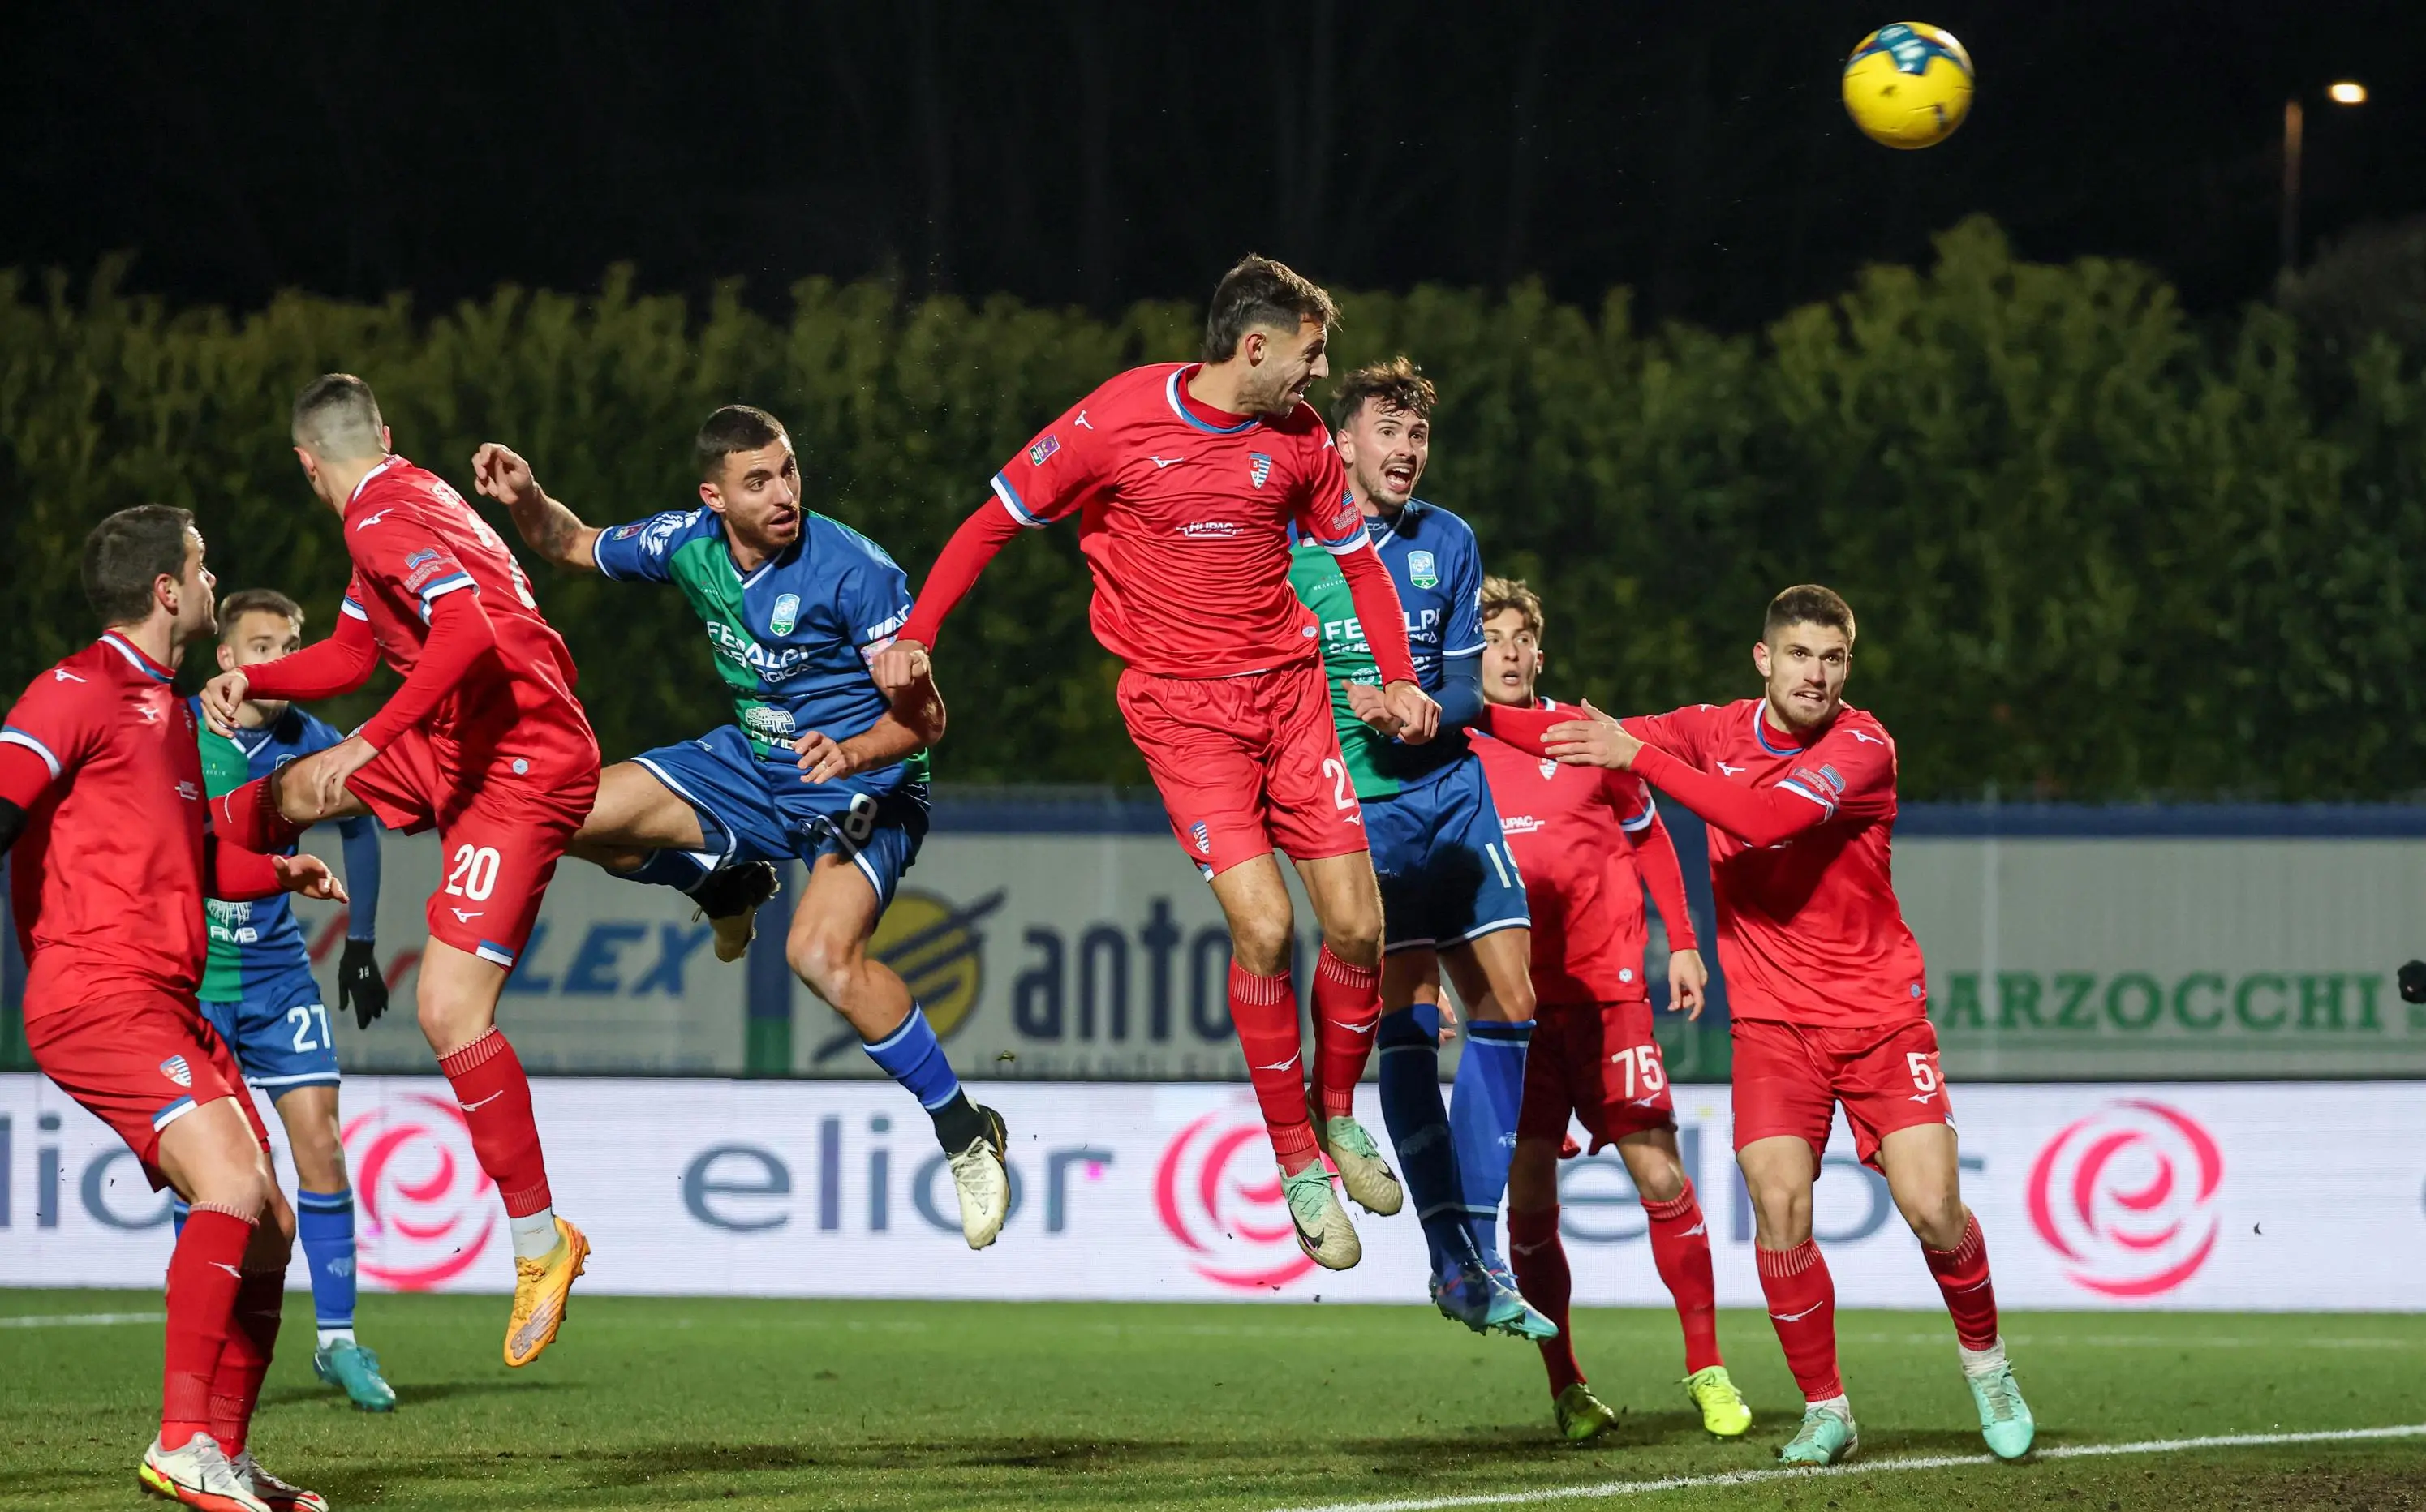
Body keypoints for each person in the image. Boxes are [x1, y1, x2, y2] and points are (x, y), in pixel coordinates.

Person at [877, 256, 1435, 1269]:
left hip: (1292, 696)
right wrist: (921, 630)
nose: (1319, 376)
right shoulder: (1118, 419)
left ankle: (1338, 1112)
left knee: (1357, 924)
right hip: (1184, 716)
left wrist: (1396, 677)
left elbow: (1355, 564)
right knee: (1263, 926)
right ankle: (1298, 1161)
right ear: (1253, 347)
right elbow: (992, 522)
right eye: (1310, 355)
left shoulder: (1301, 441)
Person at [1499, 583, 2033, 1466]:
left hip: (1878, 1018)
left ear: (1845, 667)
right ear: (1764, 659)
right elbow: (1567, 737)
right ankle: (1827, 1410)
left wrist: (1640, 757)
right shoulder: (1714, 729)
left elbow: (1762, 818)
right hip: (1773, 1027)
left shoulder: (1862, 746)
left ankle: (1988, 1368)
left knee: (1933, 1208)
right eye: (1797, 655)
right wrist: (1441, 713)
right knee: (1778, 1205)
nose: (1814, 675)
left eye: (1830, 658)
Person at [467, 406, 1010, 1248]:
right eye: (758, 480)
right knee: (554, 811)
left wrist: (856, 748)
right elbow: (569, 543)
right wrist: (526, 493)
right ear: (714, 496)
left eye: (788, 470)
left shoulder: (855, 571)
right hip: (751, 768)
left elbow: (926, 723)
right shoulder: (686, 543)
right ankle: (719, 881)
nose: (784, 492)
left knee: (818, 954)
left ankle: (962, 1132)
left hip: (865, 791)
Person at [201, 374, 603, 1370]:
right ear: (381, 433)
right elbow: (347, 650)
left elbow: (462, 630)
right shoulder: (406, 495)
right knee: (296, 792)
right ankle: (190, 855)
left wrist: (373, 737)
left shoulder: (382, 521)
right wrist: (256, 678)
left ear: (305, 463)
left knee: (450, 1012)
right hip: (474, 743)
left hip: (515, 757)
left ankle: (539, 1244)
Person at [1, 506, 342, 1511]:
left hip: (164, 997)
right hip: (97, 991)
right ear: (165, 590)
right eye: (201, 565)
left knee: (272, 1224)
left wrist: (278, 867)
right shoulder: (77, 688)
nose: (211, 580)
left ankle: (223, 1456)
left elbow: (190, 858)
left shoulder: (167, 710)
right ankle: (181, 1440)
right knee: (232, 1182)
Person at [1284, 358, 1548, 1334]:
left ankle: (1469, 1236)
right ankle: (1453, 1261)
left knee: (1513, 1002)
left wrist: (1419, 712)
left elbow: (1477, 694)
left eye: (1417, 435)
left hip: (1450, 792)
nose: (1405, 451)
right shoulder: (1291, 544)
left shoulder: (1448, 539)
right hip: (1364, 816)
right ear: (1341, 443)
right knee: (1405, 1017)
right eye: (1386, 433)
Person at [1468, 577, 1749, 1442]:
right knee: (1527, 1201)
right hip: (1507, 1012)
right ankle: (1566, 1385)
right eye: (1493, 637)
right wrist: (1424, 990)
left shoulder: (1583, 735)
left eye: (1522, 637)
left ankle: (1706, 1366)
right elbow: (1419, 872)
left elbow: (1650, 836)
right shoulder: (1446, 749)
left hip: (1606, 997)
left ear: (1539, 652)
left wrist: (1686, 940)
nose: (1509, 652)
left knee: (1660, 1174)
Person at [180, 588, 394, 1411]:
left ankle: (337, 1340)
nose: (282, 659)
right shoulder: (183, 731)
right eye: (263, 645)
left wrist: (365, 942)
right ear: (227, 658)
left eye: (294, 643)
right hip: (195, 978)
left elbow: (362, 827)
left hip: (276, 975)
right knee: (208, 1175)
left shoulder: (315, 741)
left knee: (324, 1147)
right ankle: (211, 1334)